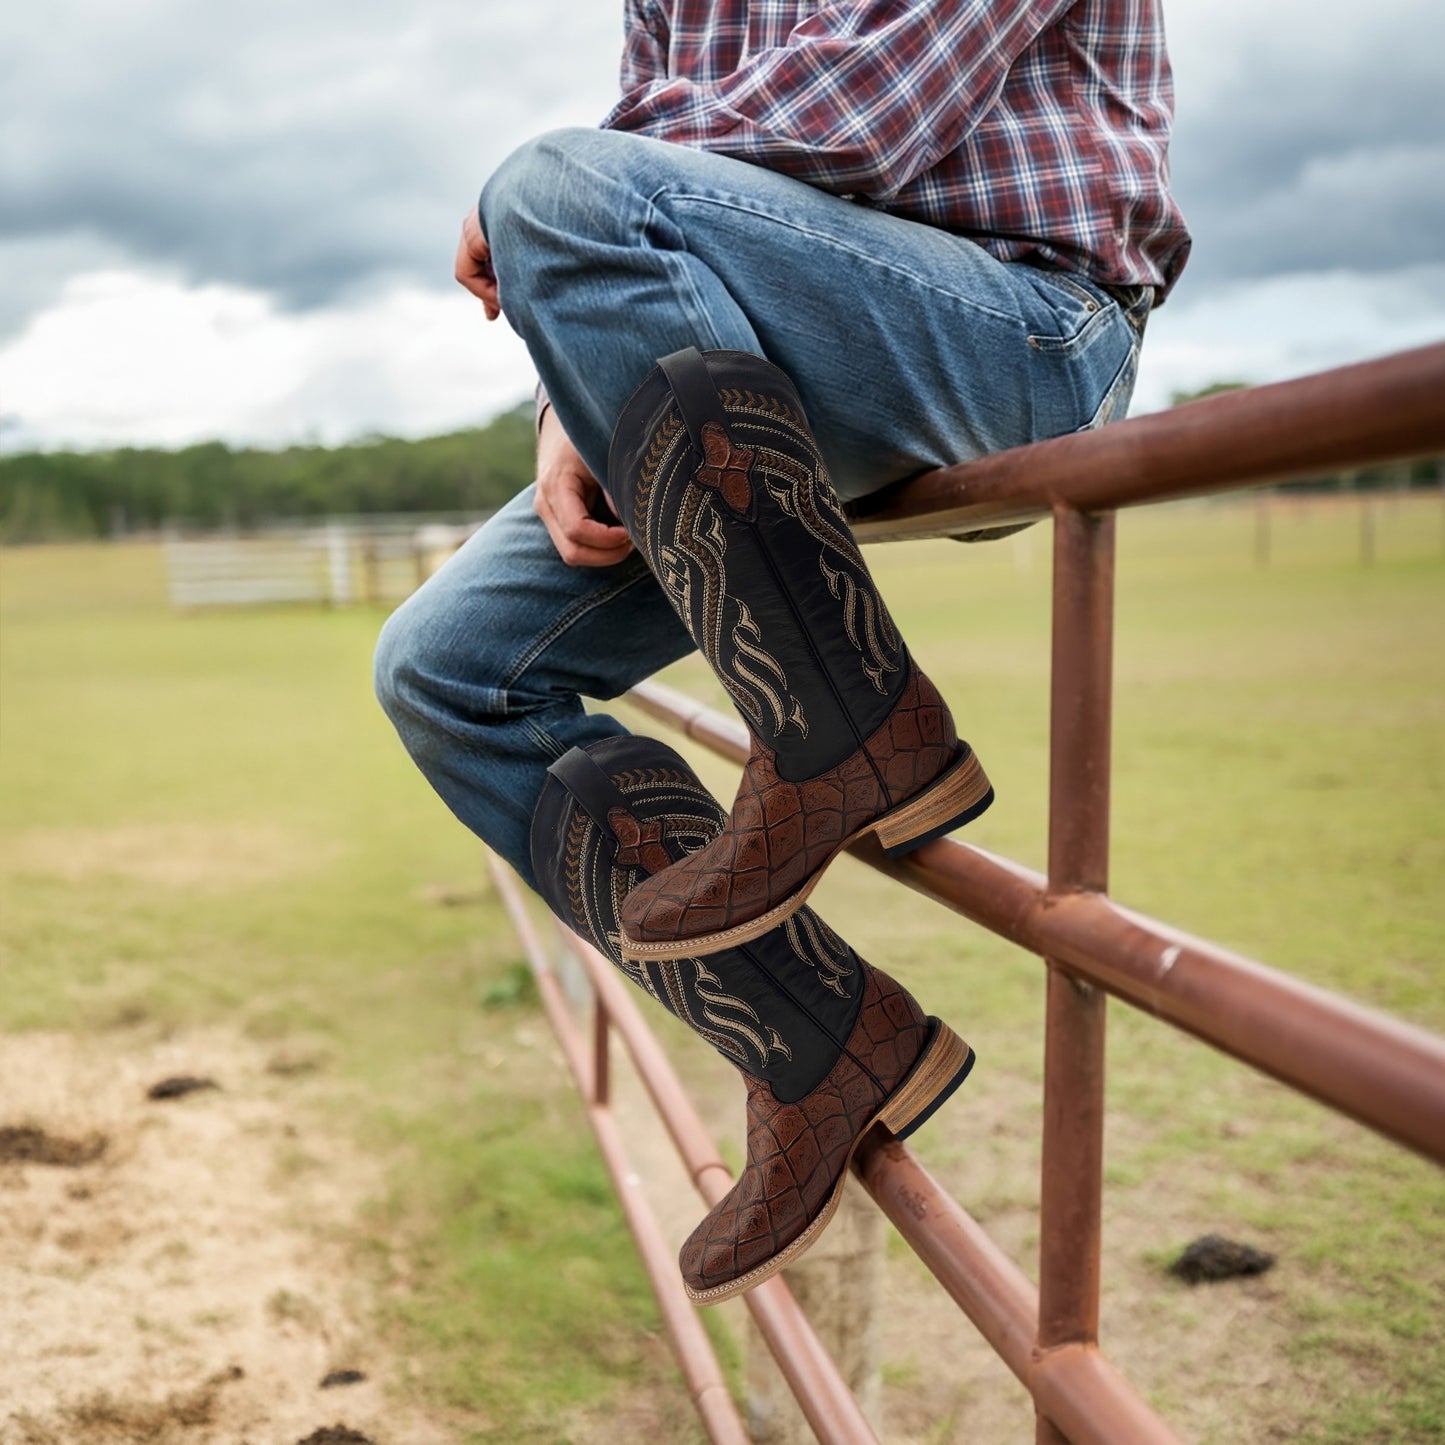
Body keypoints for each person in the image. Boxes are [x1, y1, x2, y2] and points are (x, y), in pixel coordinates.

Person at [372, 0, 1190, 1297]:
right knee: (446, 663)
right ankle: (816, 1041)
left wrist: (540, 216)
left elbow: (868, 110)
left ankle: (847, 725)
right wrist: (569, 390)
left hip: (1026, 324)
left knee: (551, 181)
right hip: (755, 334)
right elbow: (650, 161)